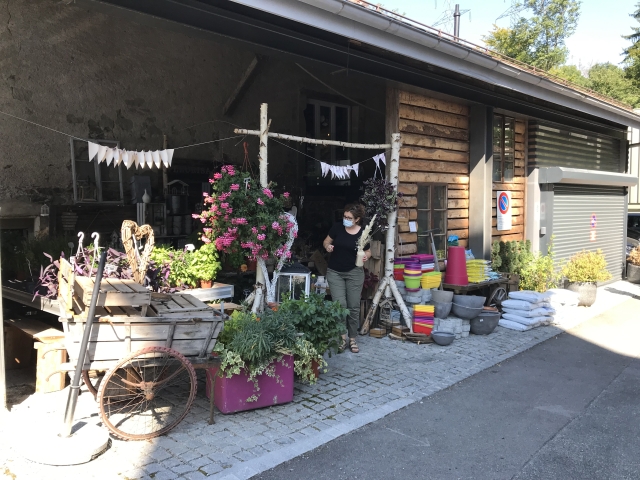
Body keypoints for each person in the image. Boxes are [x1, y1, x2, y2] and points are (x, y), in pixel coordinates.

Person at [323, 203, 371, 353]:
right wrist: (328, 247)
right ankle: (342, 338)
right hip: (335, 272)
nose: (346, 219)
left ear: (357, 219)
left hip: (354, 272)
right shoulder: (337, 228)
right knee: (340, 305)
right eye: (345, 216)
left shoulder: (363, 232)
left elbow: (368, 251)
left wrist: (366, 257)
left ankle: (353, 338)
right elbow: (326, 241)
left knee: (353, 306)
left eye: (349, 218)